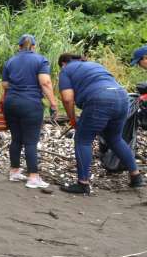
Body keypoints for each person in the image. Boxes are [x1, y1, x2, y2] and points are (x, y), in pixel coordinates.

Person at [57, 53, 144, 194]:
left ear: (63, 63)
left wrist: (72, 119)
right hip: (122, 97)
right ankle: (136, 176)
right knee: (115, 138)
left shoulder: (66, 70)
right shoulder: (95, 65)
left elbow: (67, 99)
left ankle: (83, 184)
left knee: (83, 140)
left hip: (100, 99)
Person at [1, 35, 59, 189]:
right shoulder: (40, 60)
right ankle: (33, 177)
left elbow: (5, 84)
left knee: (16, 138)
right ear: (34, 46)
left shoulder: (10, 61)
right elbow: (45, 82)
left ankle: (14, 171)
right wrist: (53, 103)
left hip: (11, 103)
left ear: (19, 46)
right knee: (31, 141)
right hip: (30, 103)